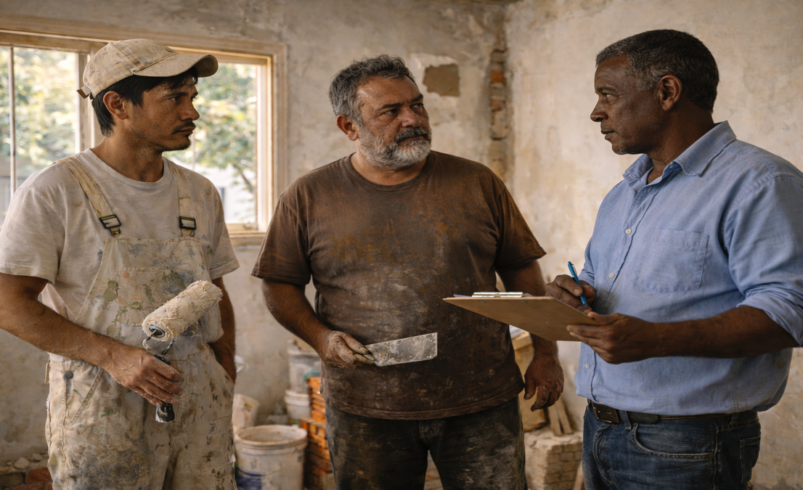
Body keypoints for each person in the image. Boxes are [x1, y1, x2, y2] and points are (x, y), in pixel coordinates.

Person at [253, 55, 563, 490]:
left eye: (417, 105)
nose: (412, 118)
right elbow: (279, 284)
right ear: (349, 127)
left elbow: (521, 268)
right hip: (366, 405)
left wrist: (546, 354)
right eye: (391, 111)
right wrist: (321, 338)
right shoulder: (308, 196)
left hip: (479, 400)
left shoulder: (476, 182)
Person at [545, 29, 803, 489]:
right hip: (601, 428)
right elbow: (595, 280)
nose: (595, 112)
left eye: (608, 94)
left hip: (687, 443)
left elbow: (790, 311)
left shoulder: (761, 183)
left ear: (667, 92)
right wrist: (574, 294)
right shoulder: (624, 193)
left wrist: (657, 340)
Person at [0, 39, 240, 489]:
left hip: (198, 399)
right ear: (118, 105)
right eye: (174, 98)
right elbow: (7, 304)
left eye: (192, 97)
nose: (192, 112)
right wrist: (114, 357)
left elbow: (215, 290)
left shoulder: (201, 192)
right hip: (104, 400)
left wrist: (223, 372)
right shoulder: (56, 190)